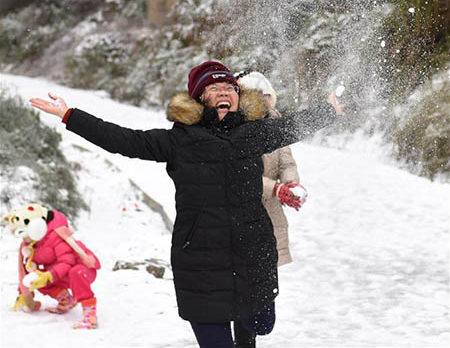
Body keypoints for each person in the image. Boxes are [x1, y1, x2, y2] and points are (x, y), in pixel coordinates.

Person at [30, 60, 343, 348]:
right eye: (214, 88)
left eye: (229, 89)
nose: (224, 93)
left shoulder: (254, 133)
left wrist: (328, 111)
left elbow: (292, 126)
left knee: (261, 324)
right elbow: (122, 139)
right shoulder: (179, 141)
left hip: (250, 252)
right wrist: (71, 115)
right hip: (201, 258)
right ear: (199, 98)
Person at [232, 71, 304, 348]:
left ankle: (249, 336)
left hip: (270, 215)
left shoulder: (275, 123)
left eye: (266, 98)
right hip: (241, 215)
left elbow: (286, 159)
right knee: (243, 289)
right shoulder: (235, 129)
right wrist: (275, 188)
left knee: (262, 290)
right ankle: (242, 341)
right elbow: (240, 172)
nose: (262, 103)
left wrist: (291, 183)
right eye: (255, 97)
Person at [4, 202, 100, 329]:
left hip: (82, 269)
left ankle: (90, 315)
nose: (24, 239)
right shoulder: (31, 245)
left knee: (75, 272)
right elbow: (26, 270)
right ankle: (66, 300)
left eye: (25, 234)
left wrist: (49, 275)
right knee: (37, 279)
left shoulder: (55, 237)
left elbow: (67, 262)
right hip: (61, 273)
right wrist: (24, 293)